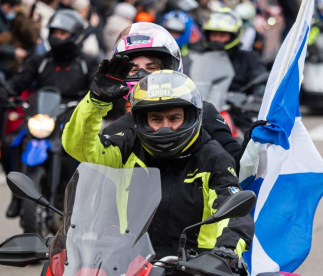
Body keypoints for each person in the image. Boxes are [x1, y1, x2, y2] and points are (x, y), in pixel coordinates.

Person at [61, 55, 255, 260]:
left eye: (174, 118)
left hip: (196, 267)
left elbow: (233, 210)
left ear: (190, 116)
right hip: (129, 264)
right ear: (142, 120)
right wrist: (96, 102)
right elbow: (80, 148)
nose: (165, 127)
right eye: (155, 119)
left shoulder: (212, 157)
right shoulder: (128, 147)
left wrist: (227, 249)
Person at [0, 9, 98, 218]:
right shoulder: (39, 60)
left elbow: (96, 89)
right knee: (9, 143)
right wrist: (5, 92)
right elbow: (18, 82)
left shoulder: (87, 62)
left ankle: (80, 201)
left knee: (86, 154)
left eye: (63, 33)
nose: (57, 37)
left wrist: (94, 100)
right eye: (55, 32)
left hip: (72, 117)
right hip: (42, 115)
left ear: (76, 35)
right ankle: (17, 197)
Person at [101, 22, 241, 162]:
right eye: (134, 70)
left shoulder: (203, 113)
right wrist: (95, 101)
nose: (143, 76)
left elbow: (235, 164)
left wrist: (252, 146)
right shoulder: (115, 130)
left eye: (151, 68)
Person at [201, 8, 267, 95]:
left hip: (236, 107)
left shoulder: (248, 58)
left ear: (234, 35)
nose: (217, 39)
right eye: (213, 34)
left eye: (222, 35)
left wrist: (257, 96)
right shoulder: (198, 56)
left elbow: (260, 79)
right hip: (202, 104)